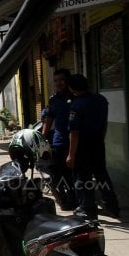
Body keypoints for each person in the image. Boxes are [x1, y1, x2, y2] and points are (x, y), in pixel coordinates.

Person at [66, 74, 120, 220]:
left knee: (82, 179)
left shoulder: (77, 105)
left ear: (72, 88)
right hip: (97, 143)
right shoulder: (101, 100)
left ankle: (88, 210)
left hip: (82, 146)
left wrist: (71, 154)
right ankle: (112, 207)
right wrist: (100, 140)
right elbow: (104, 125)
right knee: (102, 176)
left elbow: (74, 133)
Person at [41, 68, 76, 211]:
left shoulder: (76, 97)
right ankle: (68, 200)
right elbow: (48, 121)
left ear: (68, 80)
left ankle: (76, 199)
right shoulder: (53, 100)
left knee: (74, 174)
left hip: (74, 141)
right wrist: (42, 139)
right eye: (55, 81)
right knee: (60, 173)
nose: (58, 83)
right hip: (59, 142)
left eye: (61, 80)